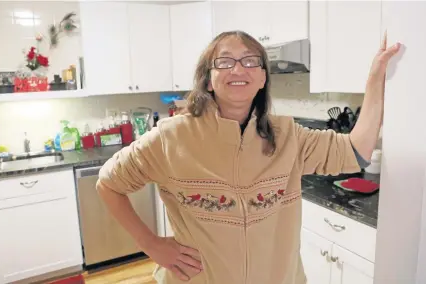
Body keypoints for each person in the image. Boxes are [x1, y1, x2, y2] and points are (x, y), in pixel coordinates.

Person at [96, 30, 401, 284]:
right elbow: (108, 184)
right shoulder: (170, 138)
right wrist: (151, 244)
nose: (238, 69)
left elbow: (357, 153)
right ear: (208, 79)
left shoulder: (289, 137)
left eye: (250, 61)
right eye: (225, 61)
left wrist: (375, 80)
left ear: (263, 78)